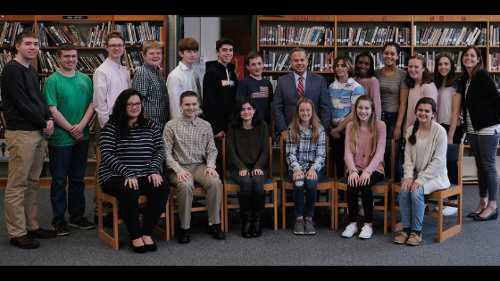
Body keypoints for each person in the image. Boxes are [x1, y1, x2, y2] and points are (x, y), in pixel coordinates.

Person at [1, 31, 57, 249]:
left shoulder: (31, 69)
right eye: (28, 44)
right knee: (17, 184)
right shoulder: (12, 70)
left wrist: (49, 117)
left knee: (32, 183)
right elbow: (23, 103)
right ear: (17, 46)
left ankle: (31, 226)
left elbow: (39, 99)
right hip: (21, 133)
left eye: (36, 44)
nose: (33, 47)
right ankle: (17, 232)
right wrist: (44, 122)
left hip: (37, 131)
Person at [98, 89, 169, 253]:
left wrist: (154, 170)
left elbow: (159, 150)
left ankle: (146, 232)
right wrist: (127, 173)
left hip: (145, 172)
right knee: (130, 190)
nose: (135, 107)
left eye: (138, 103)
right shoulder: (112, 126)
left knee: (162, 188)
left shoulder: (150, 125)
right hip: (115, 174)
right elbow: (107, 154)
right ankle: (135, 235)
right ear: (123, 106)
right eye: (130, 104)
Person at [42, 43, 95, 235]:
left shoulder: (85, 79)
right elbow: (51, 110)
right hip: (60, 140)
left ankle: (76, 216)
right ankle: (58, 219)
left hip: (82, 136)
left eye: (73, 56)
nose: (70, 59)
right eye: (66, 56)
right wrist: (72, 129)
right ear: (58, 58)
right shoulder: (52, 81)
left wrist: (80, 127)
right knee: (58, 180)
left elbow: (91, 105)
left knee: (77, 179)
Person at [163, 91, 225, 243]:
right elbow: (165, 153)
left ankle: (214, 224)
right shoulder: (171, 125)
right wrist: (178, 170)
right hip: (178, 166)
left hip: (199, 166)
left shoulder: (206, 125)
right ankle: (185, 227)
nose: (191, 108)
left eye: (194, 104)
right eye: (187, 104)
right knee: (185, 185)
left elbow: (212, 150)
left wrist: (211, 166)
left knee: (215, 182)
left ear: (198, 105)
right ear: (180, 106)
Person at [394, 97, 449, 246]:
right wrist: (408, 177)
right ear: (415, 111)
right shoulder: (411, 130)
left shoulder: (440, 131)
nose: (423, 113)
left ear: (433, 114)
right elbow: (408, 158)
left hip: (435, 176)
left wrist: (419, 180)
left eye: (427, 111)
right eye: (420, 110)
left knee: (416, 191)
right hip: (416, 174)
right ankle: (406, 229)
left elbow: (437, 162)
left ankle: (417, 232)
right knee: (404, 189)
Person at [92, 31, 131, 227]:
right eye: (113, 45)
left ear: (124, 48)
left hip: (124, 124)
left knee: (121, 163)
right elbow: (99, 102)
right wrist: (107, 127)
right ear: (106, 48)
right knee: (104, 165)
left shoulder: (124, 70)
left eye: (120, 45)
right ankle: (99, 210)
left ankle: (120, 206)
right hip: (107, 125)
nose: (117, 48)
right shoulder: (102, 70)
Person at [460, 45, 500, 221]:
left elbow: (496, 99)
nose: (468, 57)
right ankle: (483, 202)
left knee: (489, 166)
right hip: (472, 128)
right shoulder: (465, 79)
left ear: (478, 59)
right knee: (480, 166)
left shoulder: (482, 75)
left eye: (472, 55)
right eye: (466, 55)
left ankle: (493, 205)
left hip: (487, 127)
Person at [342, 95, 386, 239]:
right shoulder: (350, 126)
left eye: (367, 108)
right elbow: (347, 152)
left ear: (372, 110)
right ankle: (353, 224)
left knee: (365, 182)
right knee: (352, 182)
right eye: (360, 108)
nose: (363, 111)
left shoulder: (380, 126)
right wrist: (353, 170)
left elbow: (380, 152)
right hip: (355, 167)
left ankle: (368, 225)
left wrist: (367, 171)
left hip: (375, 168)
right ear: (356, 110)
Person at [226, 96, 269, 238]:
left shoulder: (262, 125)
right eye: (243, 109)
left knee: (256, 181)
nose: (246, 112)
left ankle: (257, 221)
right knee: (245, 182)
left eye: (249, 109)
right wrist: (241, 167)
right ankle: (246, 221)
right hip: (238, 168)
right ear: (239, 112)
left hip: (258, 166)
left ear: (254, 110)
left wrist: (257, 166)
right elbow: (231, 151)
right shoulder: (233, 126)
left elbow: (265, 150)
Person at [285, 97, 326, 235]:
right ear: (297, 112)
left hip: (315, 167)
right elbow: (290, 154)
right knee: (299, 182)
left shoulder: (319, 130)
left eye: (308, 110)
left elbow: (321, 155)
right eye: (302, 110)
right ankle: (299, 218)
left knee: (311, 183)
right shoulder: (292, 129)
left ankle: (309, 218)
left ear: (312, 111)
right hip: (296, 166)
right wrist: (297, 169)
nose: (305, 113)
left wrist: (313, 169)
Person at [273, 47, 330, 142]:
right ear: (290, 63)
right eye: (296, 60)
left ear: (307, 61)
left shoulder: (319, 80)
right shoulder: (282, 81)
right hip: (289, 129)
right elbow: (277, 107)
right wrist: (282, 128)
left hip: (315, 130)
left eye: (302, 60)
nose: (299, 63)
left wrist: (323, 129)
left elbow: (325, 107)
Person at [202, 37, 238, 174]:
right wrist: (215, 127)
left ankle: (226, 192)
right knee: (219, 163)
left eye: (230, 50)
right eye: (224, 50)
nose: (228, 53)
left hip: (231, 125)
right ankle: (219, 193)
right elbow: (209, 101)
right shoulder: (212, 72)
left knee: (229, 161)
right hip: (217, 127)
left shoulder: (232, 73)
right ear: (217, 52)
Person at [375, 42, 408, 184]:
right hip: (376, 118)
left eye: (392, 54)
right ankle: (386, 194)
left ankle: (395, 195)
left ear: (398, 56)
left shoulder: (403, 75)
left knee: (393, 157)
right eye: (386, 53)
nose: (389, 56)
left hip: (393, 118)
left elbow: (403, 102)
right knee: (380, 156)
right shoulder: (376, 73)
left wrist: (398, 126)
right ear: (382, 54)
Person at [433, 53, 463, 216]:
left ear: (451, 66)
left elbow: (455, 112)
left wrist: (450, 135)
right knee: (439, 164)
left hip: (451, 128)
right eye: (440, 64)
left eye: (446, 64)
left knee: (451, 164)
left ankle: (453, 201)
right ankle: (444, 197)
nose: (443, 67)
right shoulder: (436, 83)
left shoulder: (456, 84)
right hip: (437, 127)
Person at [328, 55, 364, 178]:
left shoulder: (356, 87)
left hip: (348, 130)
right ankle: (339, 194)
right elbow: (328, 109)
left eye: (343, 65)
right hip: (333, 130)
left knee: (348, 162)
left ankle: (347, 193)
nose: (340, 68)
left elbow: (354, 113)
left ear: (349, 67)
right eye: (337, 65)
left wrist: (338, 129)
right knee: (338, 162)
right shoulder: (331, 86)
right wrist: (332, 129)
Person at [234, 51, 275, 139]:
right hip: (249, 125)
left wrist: (272, 128)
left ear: (263, 64)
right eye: (253, 64)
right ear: (247, 67)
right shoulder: (243, 84)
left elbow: (271, 106)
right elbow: (239, 107)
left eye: (259, 63)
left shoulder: (267, 83)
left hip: (265, 125)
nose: (257, 67)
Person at [132, 39, 169, 129]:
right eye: (151, 53)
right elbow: (139, 102)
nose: (155, 56)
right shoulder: (143, 73)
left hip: (161, 123)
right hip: (150, 124)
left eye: (158, 53)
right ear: (144, 56)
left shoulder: (158, 72)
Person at [166, 37, 203, 120]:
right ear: (181, 53)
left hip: (196, 118)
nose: (192, 54)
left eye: (195, 51)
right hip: (182, 121)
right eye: (188, 51)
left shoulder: (195, 74)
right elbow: (174, 105)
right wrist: (179, 126)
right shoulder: (175, 75)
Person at [403, 55, 438, 136]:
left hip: (423, 132)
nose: (412, 69)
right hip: (411, 130)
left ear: (423, 68)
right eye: (410, 66)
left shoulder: (428, 87)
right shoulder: (412, 85)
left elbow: (430, 114)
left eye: (416, 67)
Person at [354, 52, 382, 120]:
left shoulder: (372, 81)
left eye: (366, 64)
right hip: (355, 119)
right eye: (360, 63)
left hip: (368, 120)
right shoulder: (353, 80)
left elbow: (376, 104)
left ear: (370, 66)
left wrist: (376, 122)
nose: (363, 66)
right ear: (356, 64)